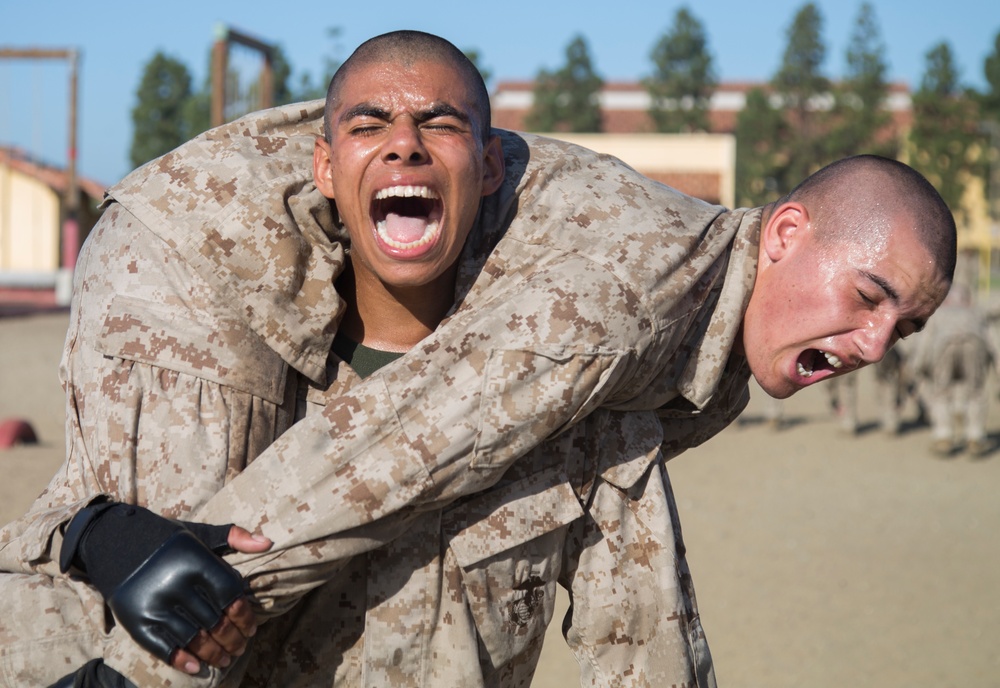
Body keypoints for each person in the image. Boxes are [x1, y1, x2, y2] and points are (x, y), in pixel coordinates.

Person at [0, 30, 955, 688]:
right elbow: (400, 447)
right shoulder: (629, 300)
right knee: (167, 573)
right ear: (785, 232)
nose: (874, 344)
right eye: (869, 297)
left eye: (902, 328)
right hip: (202, 248)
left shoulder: (717, 338)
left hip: (320, 253)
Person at [912, 283, 995, 456]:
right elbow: (993, 342)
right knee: (976, 392)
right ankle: (975, 436)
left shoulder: (938, 313)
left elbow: (925, 342)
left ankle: (944, 436)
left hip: (944, 345)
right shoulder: (976, 312)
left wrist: (918, 366)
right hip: (974, 343)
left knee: (941, 392)